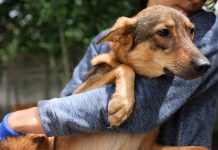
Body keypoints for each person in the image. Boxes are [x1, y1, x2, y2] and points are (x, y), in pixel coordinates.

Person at [1, 0, 218, 149]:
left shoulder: (208, 30)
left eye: (191, 32)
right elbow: (70, 104)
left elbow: (141, 112)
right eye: (164, 33)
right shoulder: (107, 39)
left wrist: (27, 118)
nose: (197, 0)